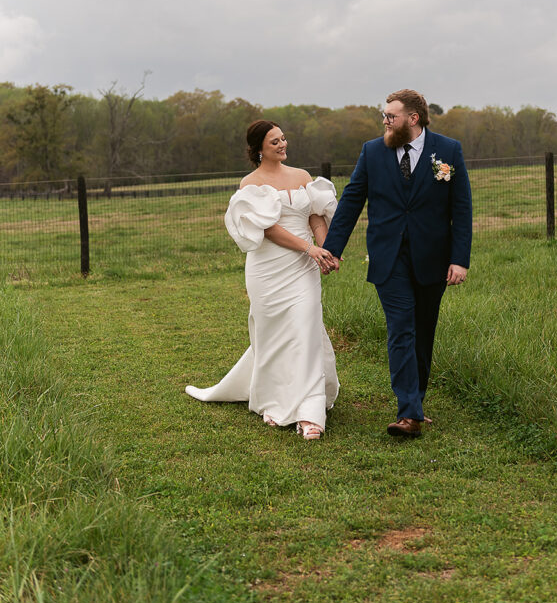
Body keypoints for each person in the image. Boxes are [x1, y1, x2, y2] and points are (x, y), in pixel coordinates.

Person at [324, 89, 472, 438]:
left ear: (413, 119)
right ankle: (409, 413)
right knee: (401, 328)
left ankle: (415, 401)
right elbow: (351, 202)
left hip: (433, 259)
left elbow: (461, 210)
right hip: (388, 258)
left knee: (423, 331)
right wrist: (333, 248)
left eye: (391, 116)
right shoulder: (372, 151)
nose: (385, 121)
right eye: (384, 116)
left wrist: (459, 260)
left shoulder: (449, 151)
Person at [185, 120, 339, 440]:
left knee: (306, 327)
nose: (283, 145)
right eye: (274, 142)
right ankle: (274, 398)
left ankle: (310, 411)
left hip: (304, 267)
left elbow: (314, 216)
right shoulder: (250, 184)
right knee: (274, 335)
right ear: (258, 149)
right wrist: (309, 248)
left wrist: (326, 249)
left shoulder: (302, 177)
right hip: (269, 268)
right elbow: (268, 229)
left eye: (283, 138)